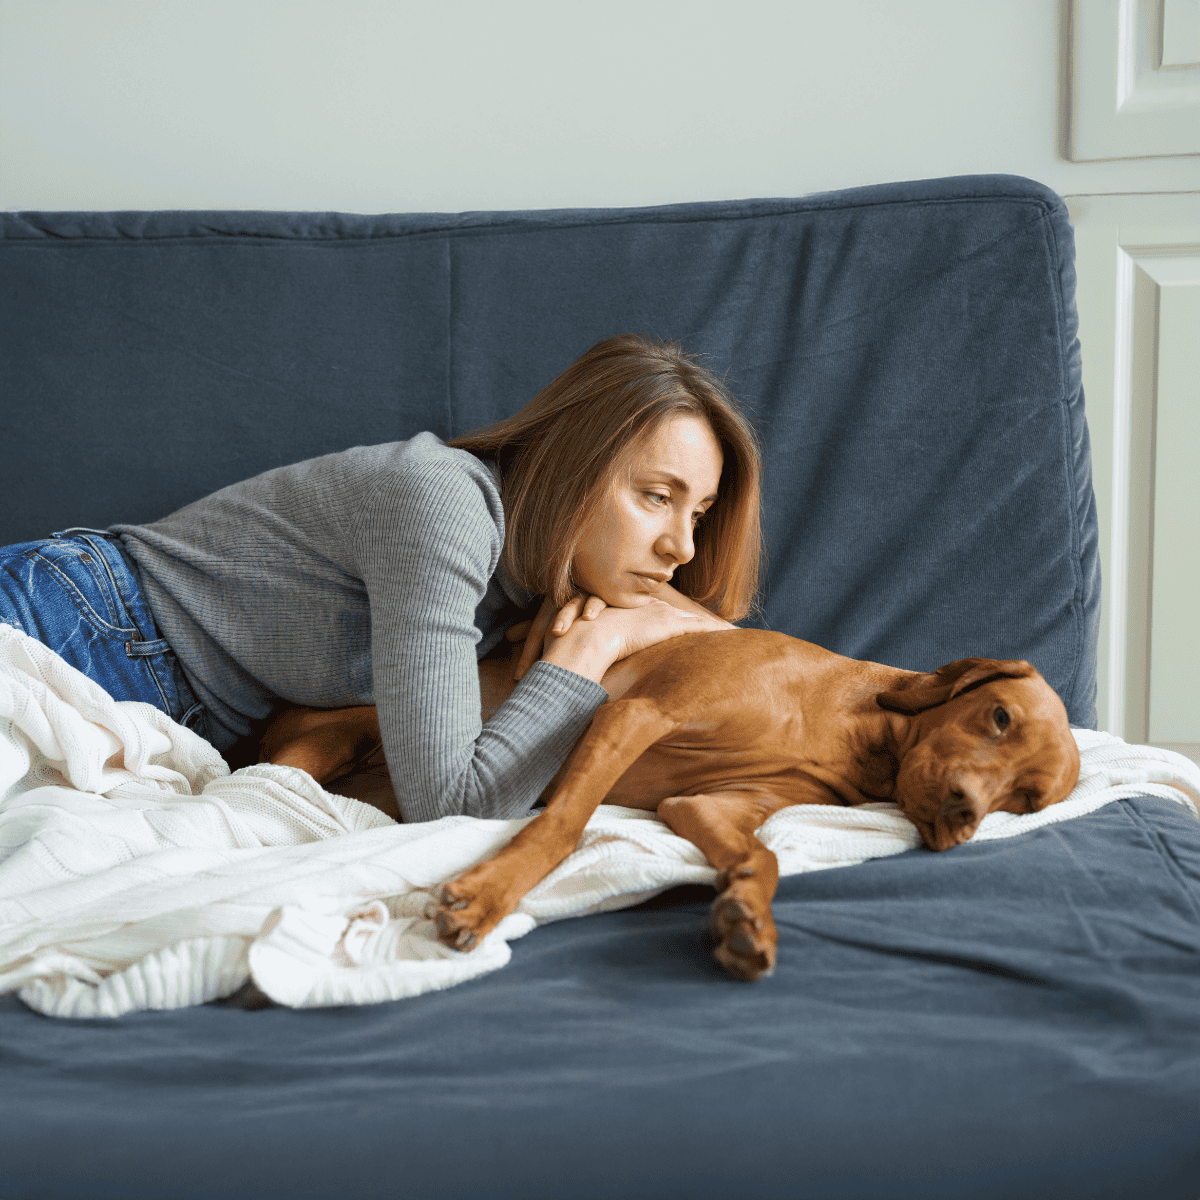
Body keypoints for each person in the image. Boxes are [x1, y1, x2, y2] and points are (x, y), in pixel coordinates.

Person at [0, 334, 763, 822]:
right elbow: (450, 803)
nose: (683, 549)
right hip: (77, 619)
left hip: (150, 702)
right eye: (656, 497)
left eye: (698, 513)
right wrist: (592, 653)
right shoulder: (446, 506)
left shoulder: (536, 585)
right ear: (574, 466)